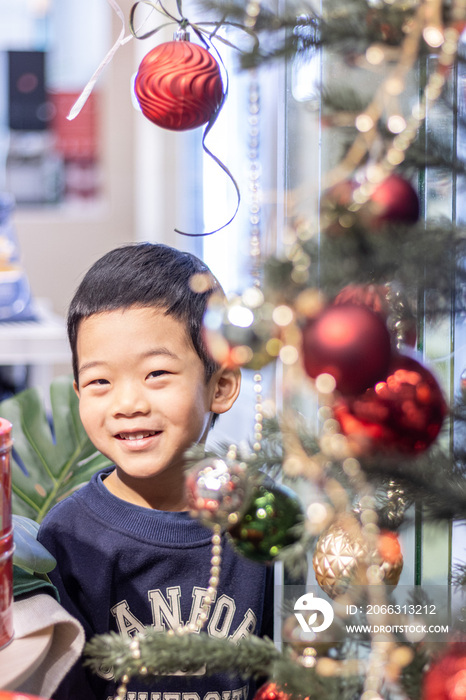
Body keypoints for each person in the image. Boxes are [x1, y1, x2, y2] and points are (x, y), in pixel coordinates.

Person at [38, 243, 274, 700]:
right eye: (100, 382)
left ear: (221, 385)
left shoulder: (261, 519)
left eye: (156, 374)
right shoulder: (68, 538)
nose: (128, 404)